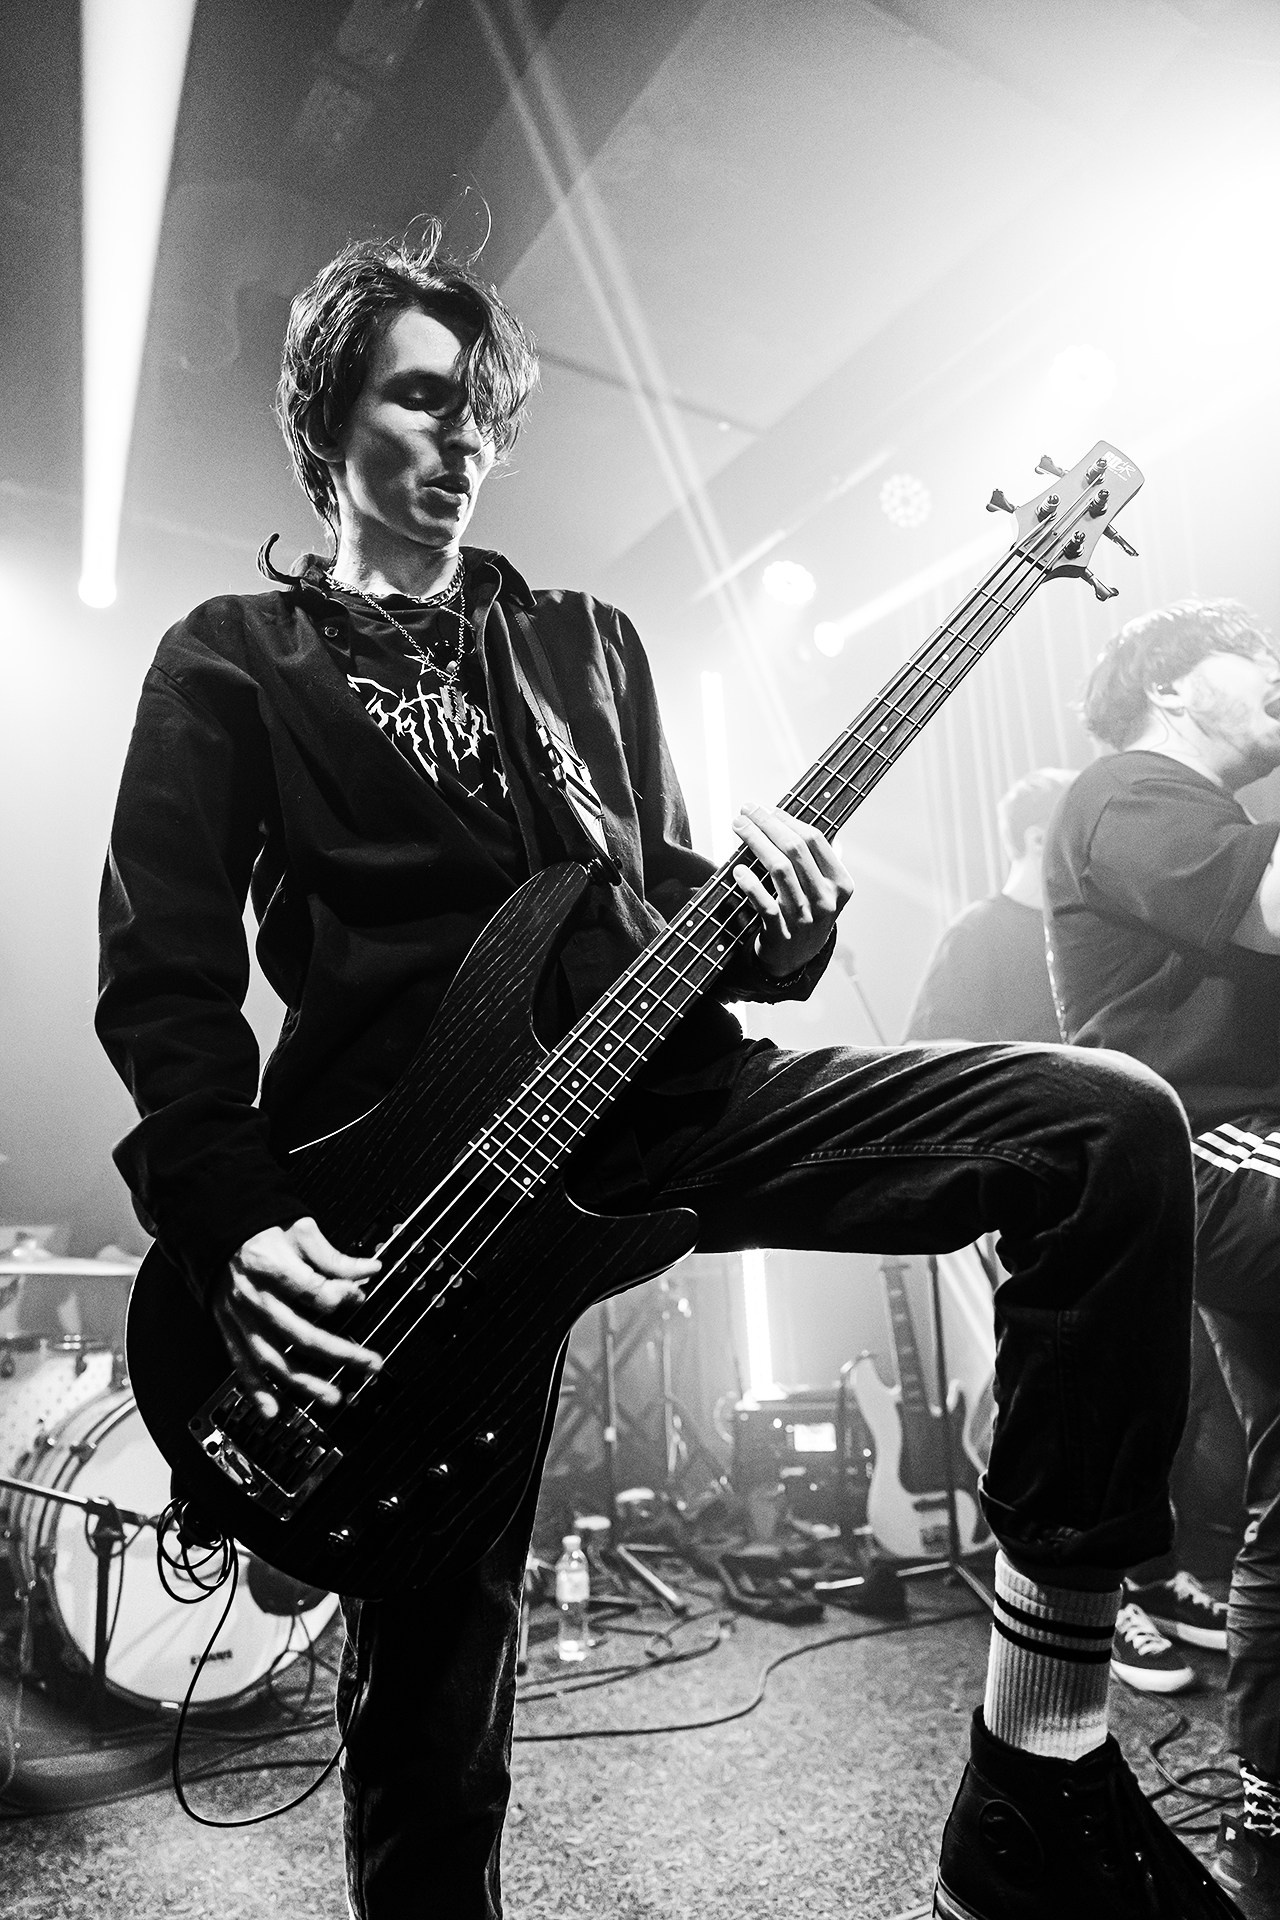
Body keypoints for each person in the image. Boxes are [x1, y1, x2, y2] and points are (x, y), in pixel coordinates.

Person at [96, 228, 1241, 1920]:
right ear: (328, 416)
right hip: (413, 1199)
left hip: (663, 1101)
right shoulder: (232, 658)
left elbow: (657, 905)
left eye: (482, 409)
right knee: (433, 1721)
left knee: (1106, 1128)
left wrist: (780, 920)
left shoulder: (584, 644)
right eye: (421, 399)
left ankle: (1040, 1762)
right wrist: (233, 1219)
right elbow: (164, 974)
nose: (465, 438)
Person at [1043, 598, 1280, 1917]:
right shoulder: (1128, 790)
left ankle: (1268, 1841)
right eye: (1262, 659)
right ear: (1176, 684)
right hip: (1208, 1156)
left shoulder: (1211, 816)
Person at [909, 765, 1230, 1698]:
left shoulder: (1109, 934)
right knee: (1076, 1397)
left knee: (1170, 1386)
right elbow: (928, 1060)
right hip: (1032, 1204)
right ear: (1036, 839)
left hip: (1129, 1191)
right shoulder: (978, 936)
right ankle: (1095, 1598)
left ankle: (1153, 1571)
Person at [904, 766, 1075, 1047]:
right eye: (1083, 832)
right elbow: (924, 1048)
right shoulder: (976, 930)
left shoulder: (1090, 925)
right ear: (1038, 839)